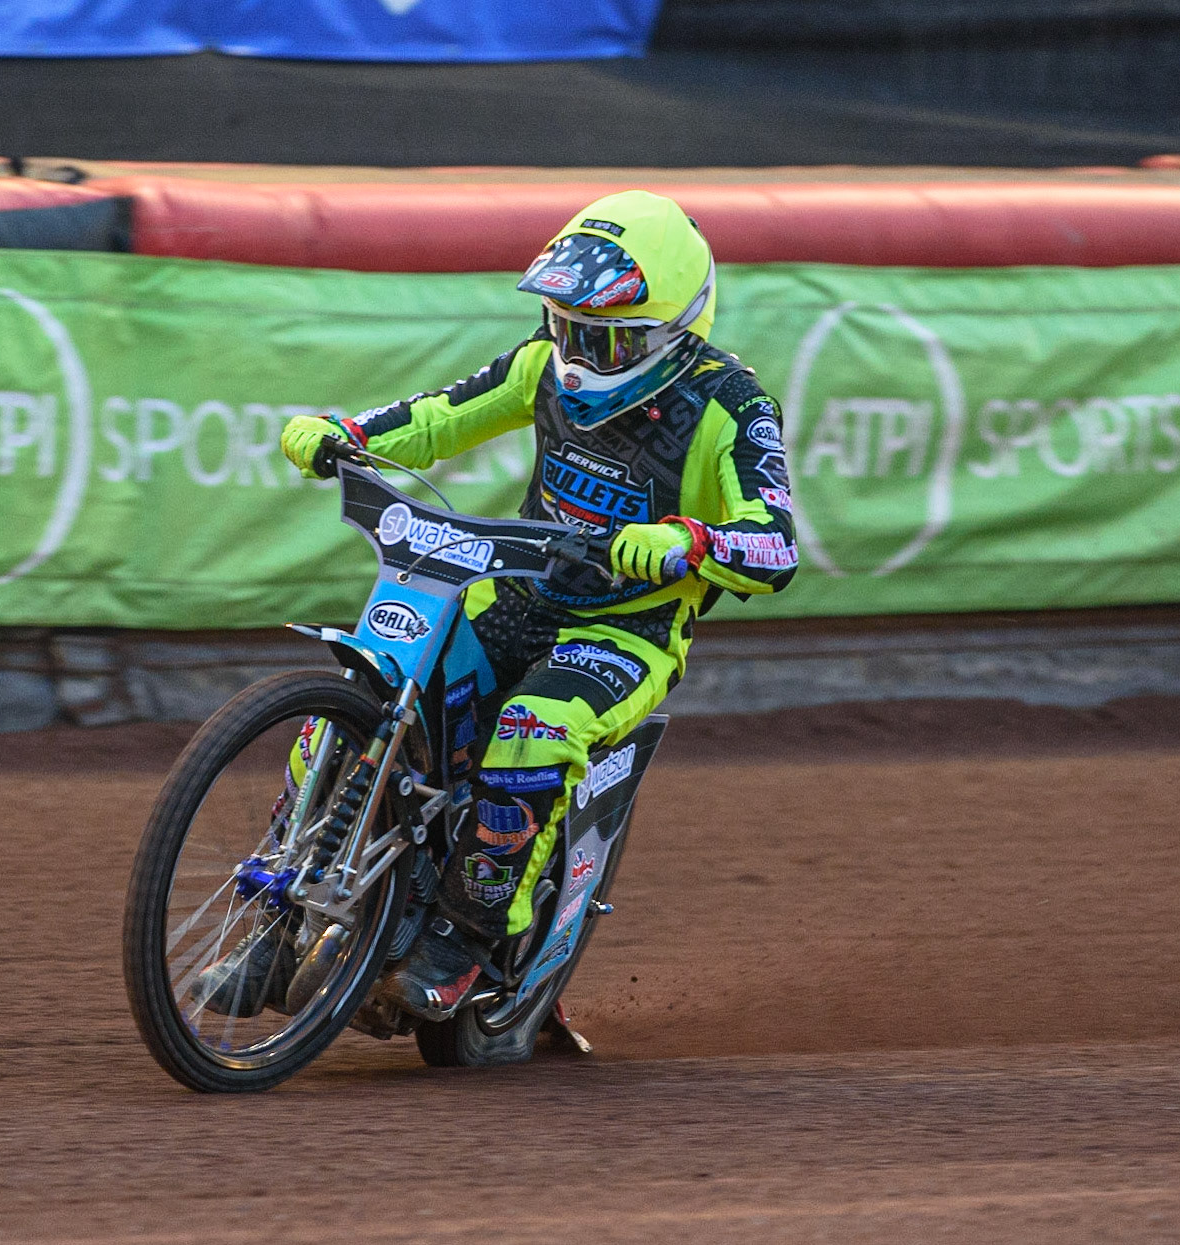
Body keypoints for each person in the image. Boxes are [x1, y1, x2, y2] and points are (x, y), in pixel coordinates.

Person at [231, 190, 799, 1022]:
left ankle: (462, 940)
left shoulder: (732, 406)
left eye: (604, 337)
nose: (577, 354)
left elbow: (777, 545)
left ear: (673, 331)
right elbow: (438, 418)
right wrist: (348, 433)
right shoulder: (541, 364)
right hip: (515, 593)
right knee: (365, 696)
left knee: (533, 727)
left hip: (628, 628)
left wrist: (688, 541)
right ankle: (277, 923)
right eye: (566, 326)